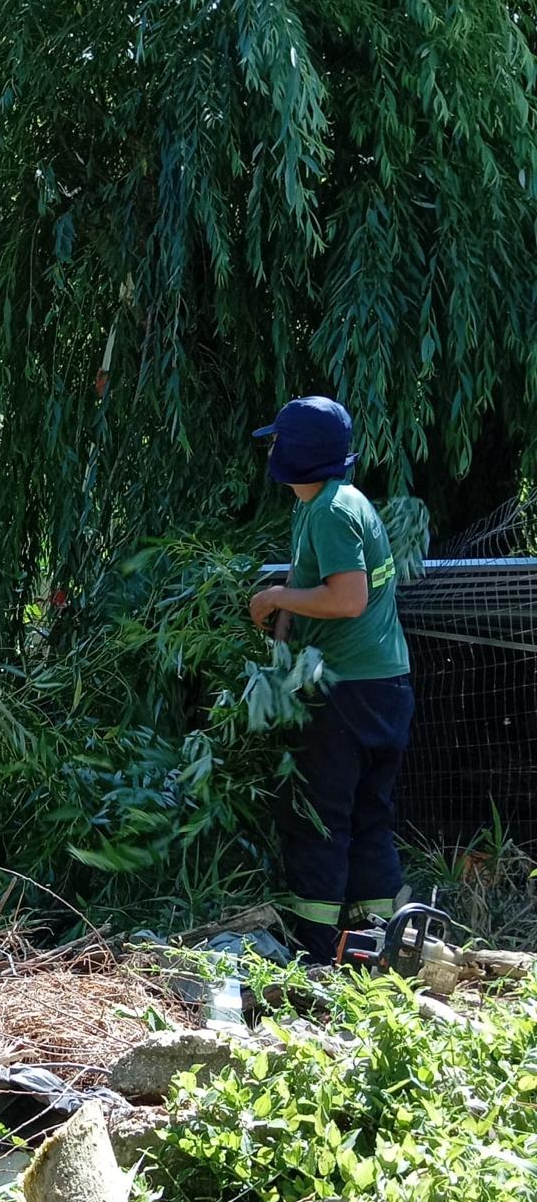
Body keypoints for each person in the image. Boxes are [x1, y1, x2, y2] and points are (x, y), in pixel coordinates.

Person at [247, 396, 413, 964]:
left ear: (295, 454)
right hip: (385, 686)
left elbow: (347, 597)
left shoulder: (331, 511)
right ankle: (377, 944)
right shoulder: (333, 503)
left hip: (348, 692)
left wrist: (272, 597)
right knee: (368, 815)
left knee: (315, 814)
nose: (271, 449)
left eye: (277, 441)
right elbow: (314, 577)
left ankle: (315, 950)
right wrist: (288, 618)